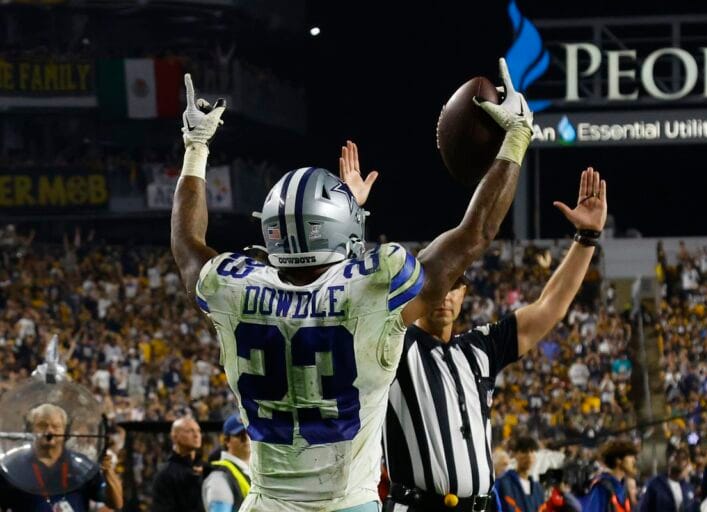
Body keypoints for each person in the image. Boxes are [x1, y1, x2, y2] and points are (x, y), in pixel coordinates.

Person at [171, 56, 533, 512]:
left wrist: (196, 145)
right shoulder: (376, 285)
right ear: (344, 227)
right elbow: (474, 233)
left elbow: (186, 245)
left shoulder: (234, 287)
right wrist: (516, 137)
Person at [382, 146, 608, 508]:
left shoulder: (479, 348)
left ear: (465, 292)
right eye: (435, 285)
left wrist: (586, 239)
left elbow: (549, 307)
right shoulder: (392, 342)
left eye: (454, 284)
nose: (444, 295)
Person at [0, 403, 123, 512]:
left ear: (66, 431)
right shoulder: (11, 467)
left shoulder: (83, 465)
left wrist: (108, 473)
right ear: (30, 429)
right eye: (42, 425)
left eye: (56, 426)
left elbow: (116, 504)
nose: (49, 431)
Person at [150, 416, 205, 512]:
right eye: (189, 431)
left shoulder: (206, 467)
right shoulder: (165, 474)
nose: (196, 435)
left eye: (198, 431)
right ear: (174, 437)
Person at [202, 413, 251, 512]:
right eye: (241, 435)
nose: (247, 440)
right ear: (227, 441)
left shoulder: (254, 470)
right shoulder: (219, 477)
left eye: (250, 433)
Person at [581, 439, 637, 512]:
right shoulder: (602, 487)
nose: (634, 460)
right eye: (630, 456)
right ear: (618, 460)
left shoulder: (624, 488)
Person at [493, 437, 545, 512]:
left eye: (532, 451)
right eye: (524, 451)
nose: (529, 455)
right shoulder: (502, 483)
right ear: (515, 455)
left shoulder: (538, 489)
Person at [638, 447, 696, 512]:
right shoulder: (655, 484)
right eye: (675, 455)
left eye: (683, 458)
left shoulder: (689, 488)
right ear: (668, 460)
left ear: (687, 463)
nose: (679, 459)